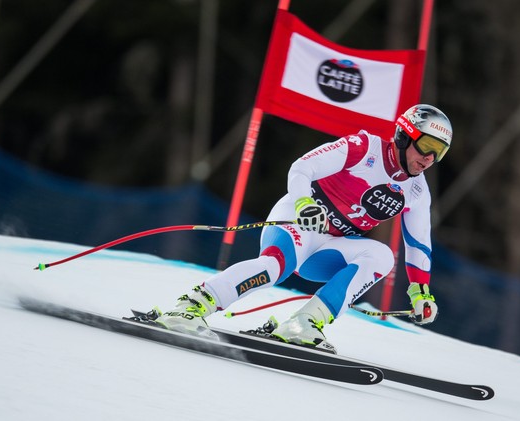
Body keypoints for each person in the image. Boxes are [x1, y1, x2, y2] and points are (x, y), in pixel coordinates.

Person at [152, 104, 452, 352]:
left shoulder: (417, 191)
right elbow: (301, 167)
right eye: (426, 146)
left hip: (329, 248)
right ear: (403, 136)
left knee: (383, 256)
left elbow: (419, 243)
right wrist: (303, 204)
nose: (428, 158)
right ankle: (190, 307)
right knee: (274, 268)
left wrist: (420, 291)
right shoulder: (363, 148)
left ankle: (304, 324)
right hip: (300, 222)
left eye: (438, 152)